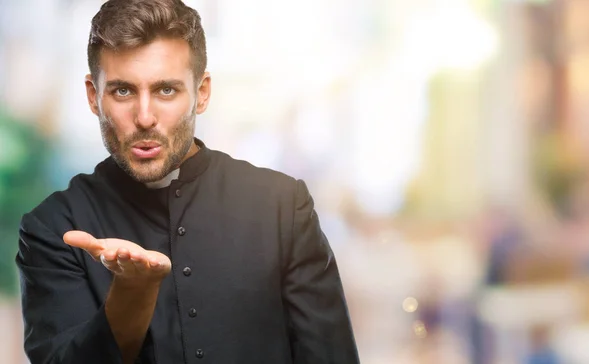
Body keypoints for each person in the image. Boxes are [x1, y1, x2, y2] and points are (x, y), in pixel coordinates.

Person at [15, 1, 360, 363]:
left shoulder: (281, 206)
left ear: (203, 92)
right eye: (122, 91)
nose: (145, 117)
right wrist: (133, 292)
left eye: (166, 90)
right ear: (92, 96)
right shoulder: (54, 227)